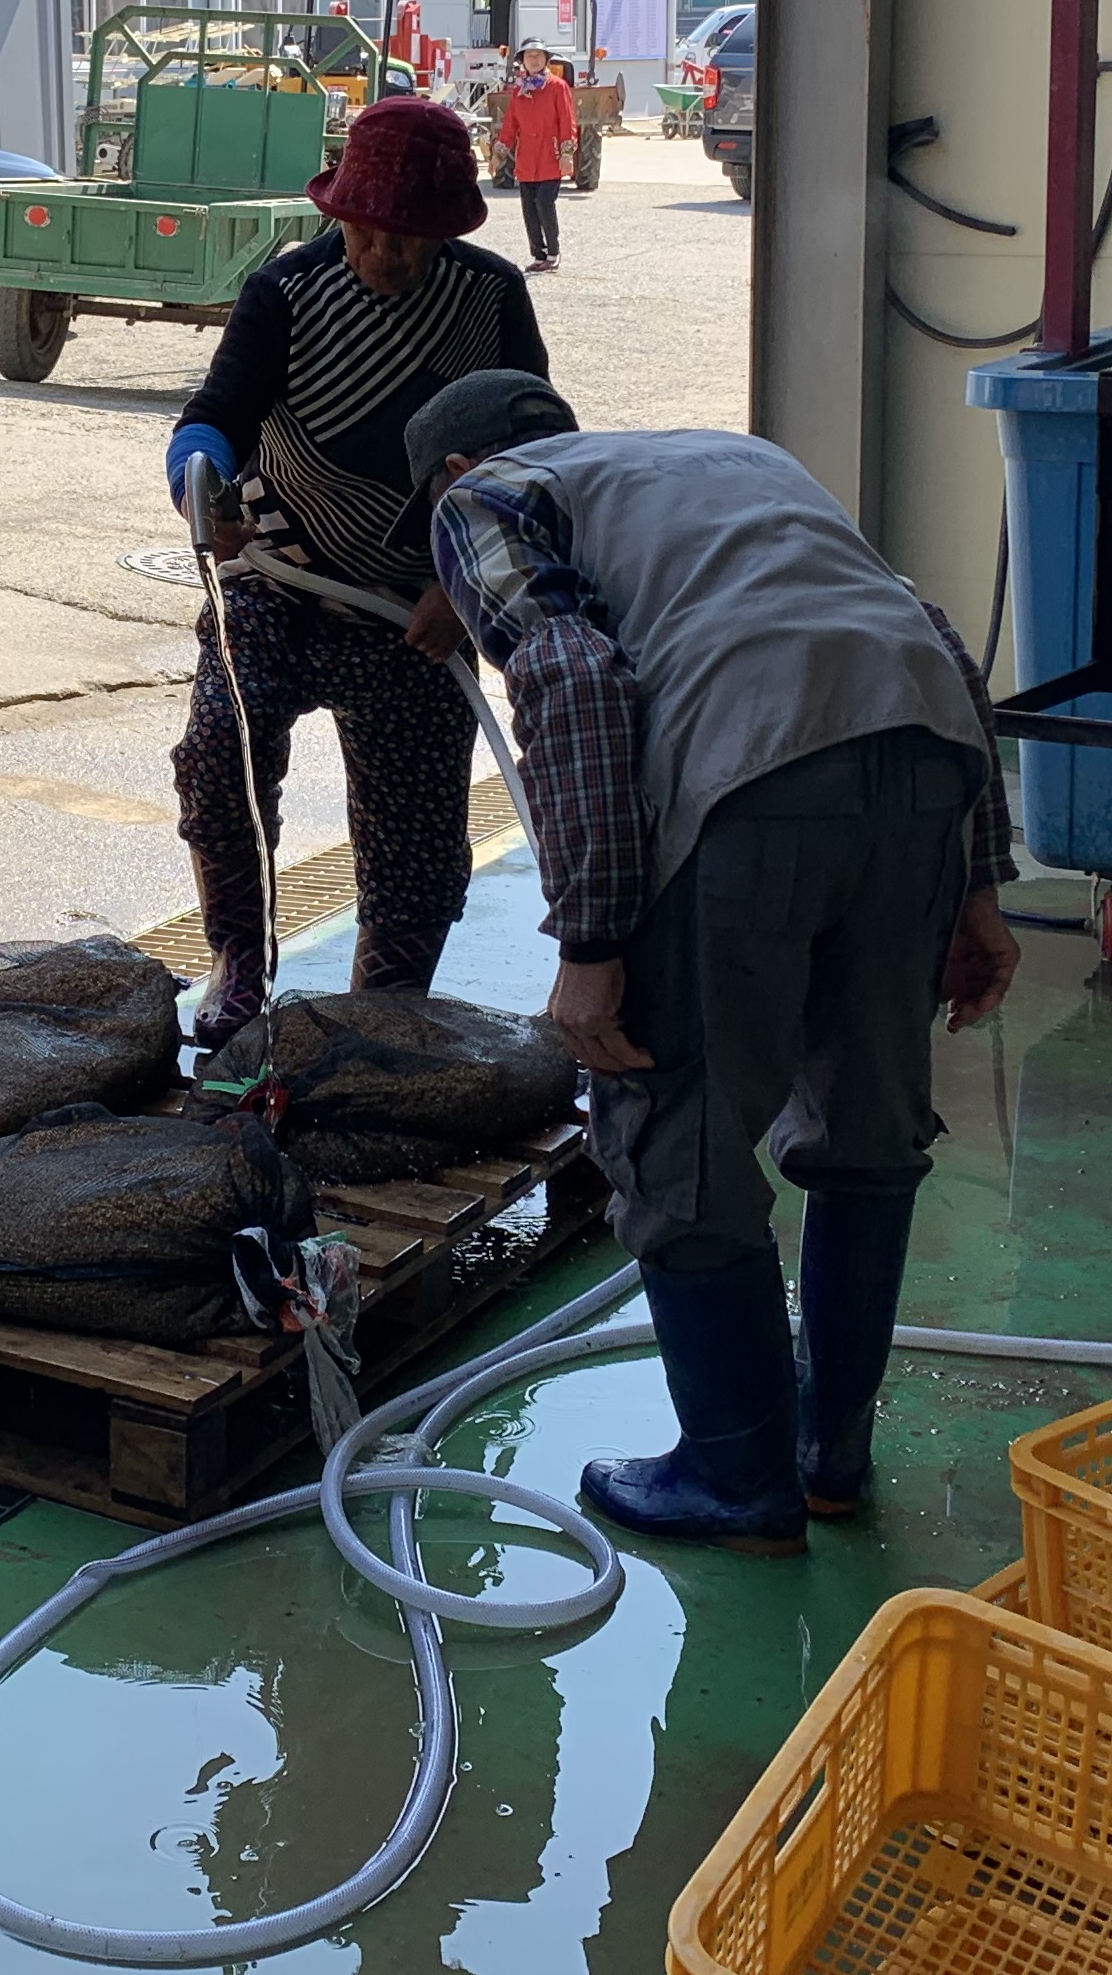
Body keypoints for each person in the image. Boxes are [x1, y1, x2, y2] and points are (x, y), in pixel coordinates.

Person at [408, 370, 1020, 1556]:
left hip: (751, 782)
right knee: (869, 1127)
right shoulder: (733, 461)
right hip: (924, 763)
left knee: (672, 1130)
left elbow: (571, 679)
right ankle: (830, 1457)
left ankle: (736, 1477)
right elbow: (932, 634)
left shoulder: (482, 499)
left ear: (451, 470)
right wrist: (977, 885)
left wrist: (592, 941)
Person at [162, 95, 552, 1027]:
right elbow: (213, 418)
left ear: (449, 231)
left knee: (417, 828)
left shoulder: (491, 297)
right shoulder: (286, 293)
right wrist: (200, 489)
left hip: (420, 605)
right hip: (279, 576)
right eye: (366, 231)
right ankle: (239, 961)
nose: (385, 254)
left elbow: (532, 451)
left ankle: (384, 1010)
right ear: (336, 214)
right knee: (219, 753)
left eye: (410, 238)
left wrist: (460, 588)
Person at [495, 43, 578, 273]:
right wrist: (498, 154)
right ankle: (539, 255)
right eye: (529, 56)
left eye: (538, 55)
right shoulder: (519, 90)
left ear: (546, 59)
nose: (534, 59)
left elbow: (567, 121)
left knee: (544, 203)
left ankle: (553, 252)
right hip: (527, 161)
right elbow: (510, 125)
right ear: (522, 61)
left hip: (550, 157)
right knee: (529, 210)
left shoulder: (557, 87)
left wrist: (567, 154)